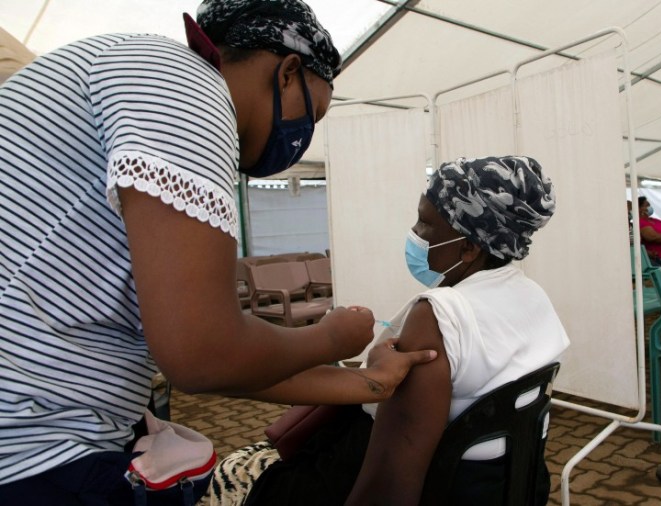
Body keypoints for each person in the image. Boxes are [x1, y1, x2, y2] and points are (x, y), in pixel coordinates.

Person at [0, 1, 434, 502]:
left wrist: (369, 385)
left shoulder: (125, 72)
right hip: (35, 458)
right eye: (310, 114)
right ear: (288, 71)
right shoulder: (186, 87)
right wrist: (331, 338)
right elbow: (205, 355)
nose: (303, 136)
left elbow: (224, 360)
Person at [207, 156, 570, 505]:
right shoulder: (531, 296)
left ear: (470, 247)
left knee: (239, 474)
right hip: (506, 484)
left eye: (425, 224)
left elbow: (389, 486)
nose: (414, 234)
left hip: (429, 487)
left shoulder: (439, 316)